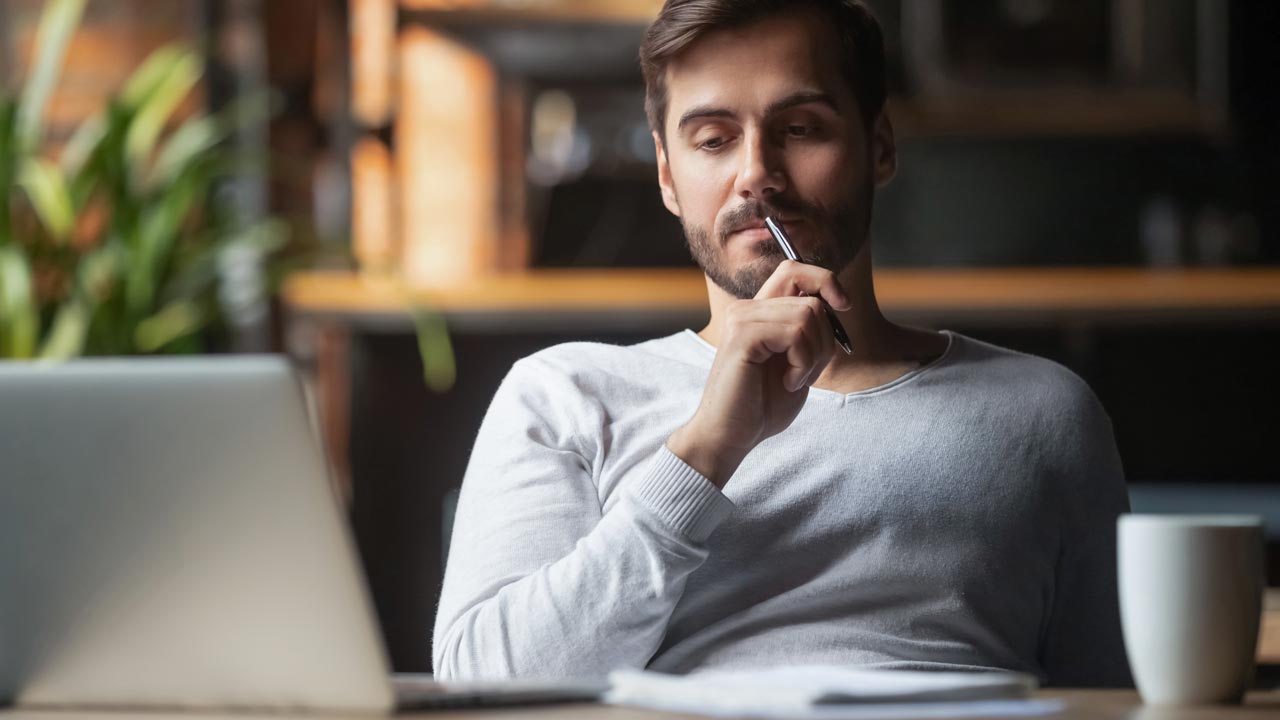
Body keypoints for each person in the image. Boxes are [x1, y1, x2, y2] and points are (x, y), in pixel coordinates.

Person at [433, 0, 1131, 687]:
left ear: (879, 146)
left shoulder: (1045, 412)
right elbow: (485, 685)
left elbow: (1120, 698)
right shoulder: (565, 396)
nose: (756, 173)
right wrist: (705, 450)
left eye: (799, 128)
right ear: (668, 175)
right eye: (713, 139)